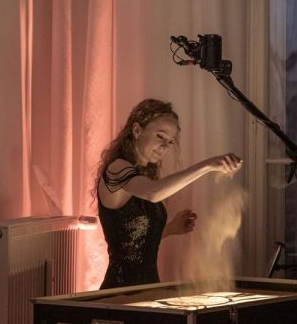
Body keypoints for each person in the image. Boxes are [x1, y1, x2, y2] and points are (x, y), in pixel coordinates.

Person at [96, 98, 243, 289]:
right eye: (160, 136)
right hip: (119, 291)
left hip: (148, 290)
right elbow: (154, 192)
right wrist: (208, 165)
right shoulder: (117, 168)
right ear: (137, 130)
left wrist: (172, 228)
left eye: (170, 141)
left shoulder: (140, 177)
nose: (165, 146)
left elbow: (134, 241)